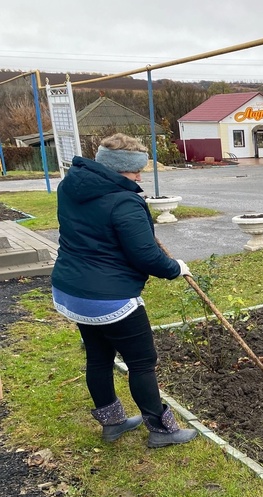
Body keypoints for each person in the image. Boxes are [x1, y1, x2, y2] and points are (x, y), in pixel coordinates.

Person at [51, 133, 197, 448]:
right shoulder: (124, 201)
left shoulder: (69, 186)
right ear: (119, 169)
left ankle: (113, 423)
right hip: (108, 298)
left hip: (71, 291)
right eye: (135, 171)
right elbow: (145, 255)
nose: (140, 177)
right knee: (142, 362)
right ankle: (163, 430)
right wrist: (175, 268)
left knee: (99, 357)